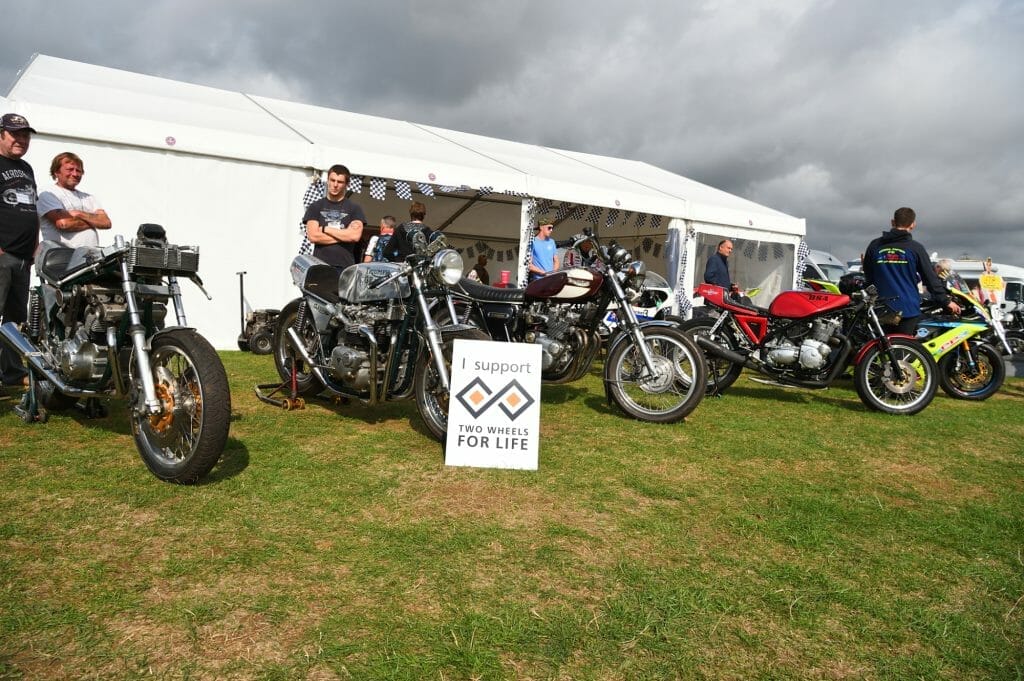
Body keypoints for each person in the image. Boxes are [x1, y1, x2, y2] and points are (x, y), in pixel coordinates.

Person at [862, 207, 959, 334]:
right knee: (904, 349)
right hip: (907, 309)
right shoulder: (916, 248)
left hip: (880, 308)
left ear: (892, 222)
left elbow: (869, 276)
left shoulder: (875, 246)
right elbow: (930, 278)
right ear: (913, 224)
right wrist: (945, 301)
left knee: (879, 349)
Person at [0, 113, 38, 389]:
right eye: (15, 134)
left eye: (25, 135)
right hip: (2, 254)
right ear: (1, 134)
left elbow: (31, 208)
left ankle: (12, 374)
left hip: (24, 257)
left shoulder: (26, 168)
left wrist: (35, 244)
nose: (21, 140)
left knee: (15, 319)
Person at [37, 152, 111, 248]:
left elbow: (106, 222)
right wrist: (94, 222)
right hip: (62, 257)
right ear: (56, 172)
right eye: (70, 169)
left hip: (89, 257)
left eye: (78, 170)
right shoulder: (47, 193)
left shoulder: (88, 197)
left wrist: (79, 214)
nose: (75, 174)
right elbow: (64, 223)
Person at [302, 164, 366, 270]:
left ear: (347, 184)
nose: (335, 185)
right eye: (332, 180)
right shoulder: (316, 206)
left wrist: (325, 229)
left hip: (345, 268)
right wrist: (344, 235)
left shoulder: (354, 209)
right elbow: (313, 236)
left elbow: (354, 236)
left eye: (340, 182)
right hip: (319, 266)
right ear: (327, 180)